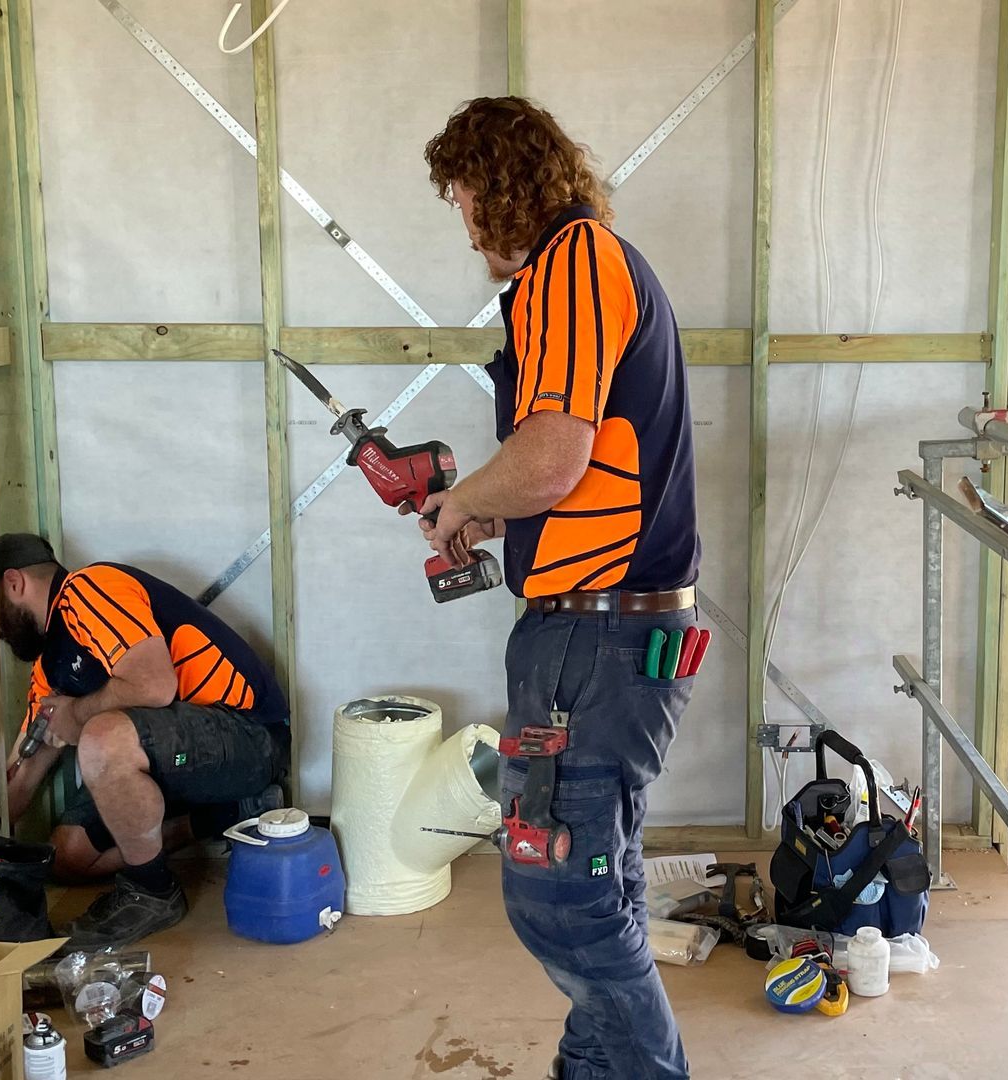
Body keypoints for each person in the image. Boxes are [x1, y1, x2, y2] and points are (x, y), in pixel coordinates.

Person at [420, 98, 702, 1080]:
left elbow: (551, 455)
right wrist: (494, 515)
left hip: (599, 641)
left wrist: (462, 502)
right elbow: (580, 473)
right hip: (602, 636)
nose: (464, 227)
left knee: (560, 896)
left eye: (462, 198)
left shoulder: (572, 261)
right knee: (597, 881)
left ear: (497, 184)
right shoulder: (577, 274)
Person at [0, 533, 290, 948]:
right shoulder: (48, 665)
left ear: (13, 583)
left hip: (249, 737)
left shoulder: (89, 589)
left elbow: (153, 685)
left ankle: (152, 892)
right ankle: (231, 814)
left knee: (102, 736)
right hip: (173, 760)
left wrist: (76, 715)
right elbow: (24, 774)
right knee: (66, 855)